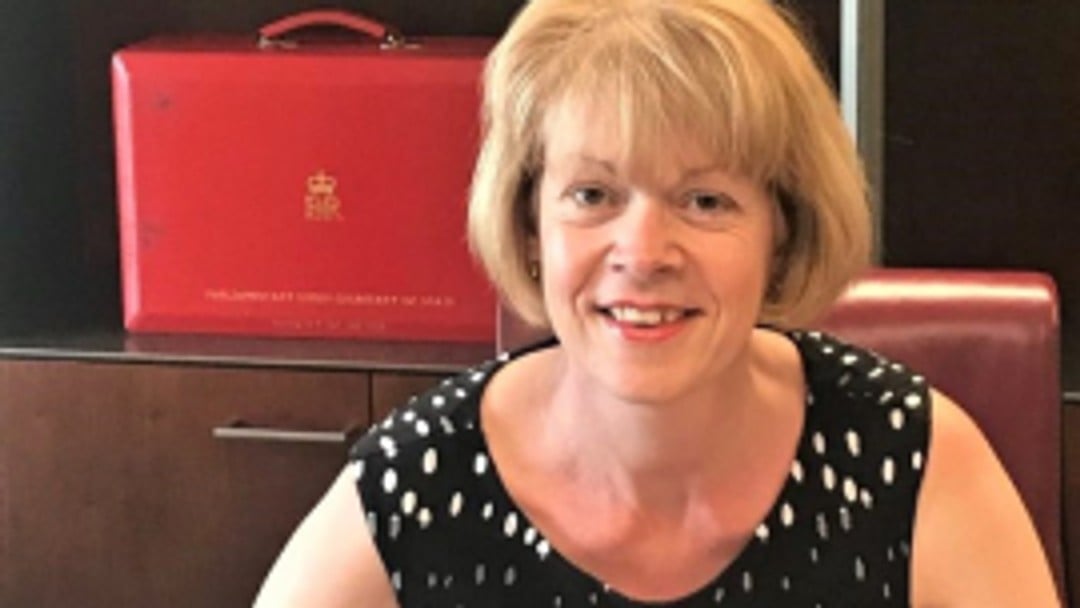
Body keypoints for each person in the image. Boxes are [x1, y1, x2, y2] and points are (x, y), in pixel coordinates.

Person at [254, 0, 1059, 606]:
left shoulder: (910, 458)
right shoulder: (417, 482)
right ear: (530, 224)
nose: (642, 254)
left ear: (782, 230)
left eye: (705, 201)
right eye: (593, 194)